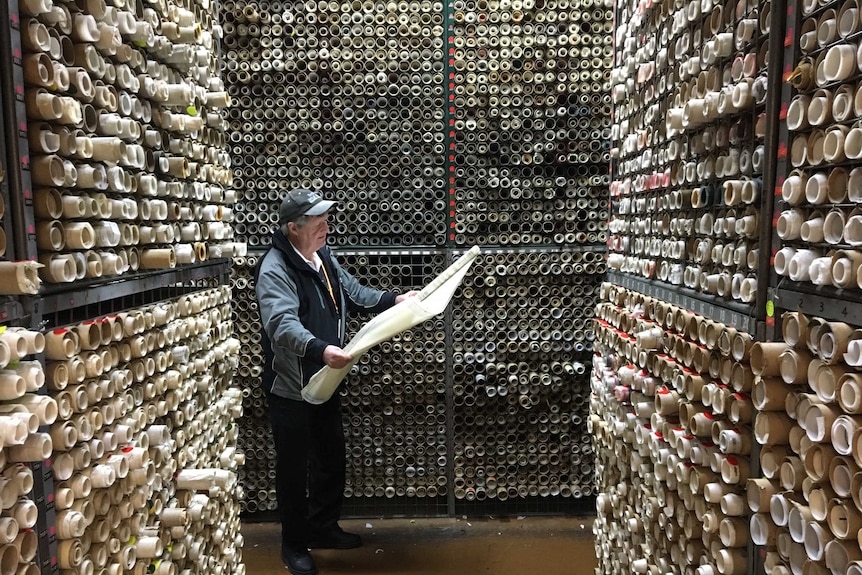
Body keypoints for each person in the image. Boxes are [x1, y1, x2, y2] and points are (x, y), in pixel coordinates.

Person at [255, 188, 417, 575]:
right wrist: (321, 349)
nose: (326, 227)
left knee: (330, 458)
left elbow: (353, 292)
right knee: (293, 470)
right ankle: (294, 545)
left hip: (326, 381)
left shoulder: (322, 256)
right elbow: (282, 325)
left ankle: (322, 528)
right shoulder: (275, 268)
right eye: (318, 222)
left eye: (326, 219)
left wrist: (393, 300)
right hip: (293, 388)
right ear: (293, 228)